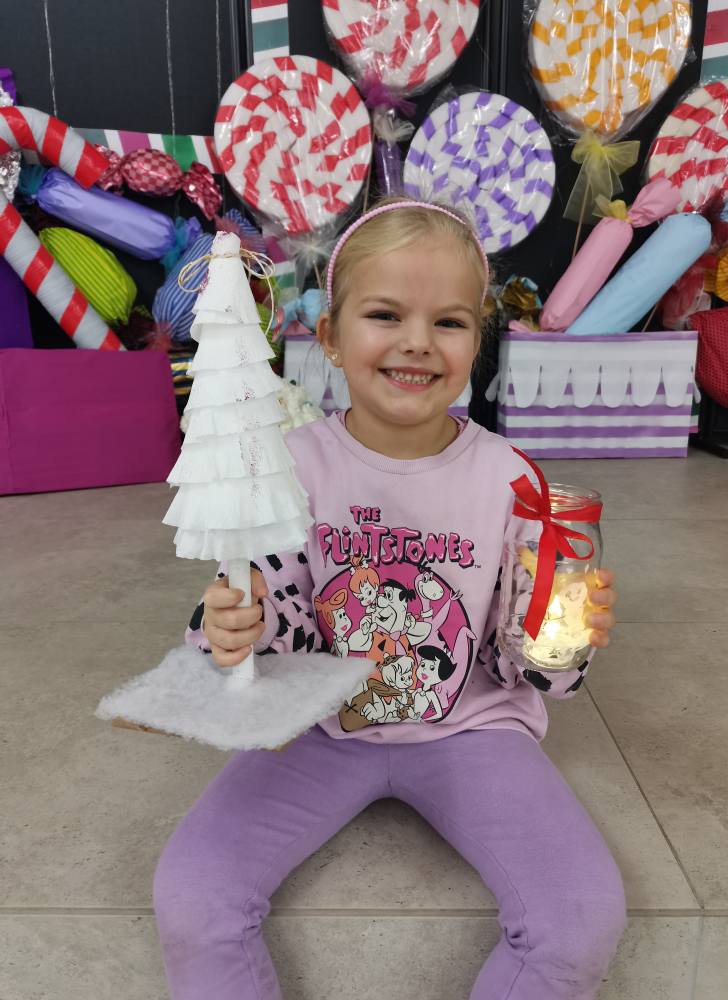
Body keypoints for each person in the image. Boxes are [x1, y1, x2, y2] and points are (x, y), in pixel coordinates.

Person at [153, 198, 625, 1000]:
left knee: (580, 916)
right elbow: (271, 606)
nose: (417, 341)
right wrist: (238, 624)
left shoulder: (513, 479)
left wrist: (560, 641)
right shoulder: (289, 465)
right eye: (384, 314)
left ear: (478, 339)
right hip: (315, 728)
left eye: (450, 321)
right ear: (330, 337)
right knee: (193, 896)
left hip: (471, 729)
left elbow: (524, 660)